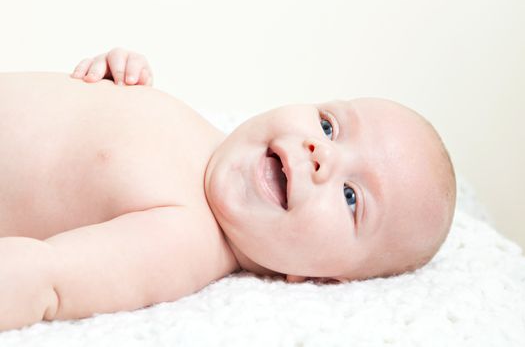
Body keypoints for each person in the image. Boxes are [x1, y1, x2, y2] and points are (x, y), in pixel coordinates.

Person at [0, 48, 456, 331]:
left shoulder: (183, 241)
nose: (322, 153)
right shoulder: (203, 133)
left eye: (351, 197)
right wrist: (112, 74)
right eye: (329, 125)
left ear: (320, 277)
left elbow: (48, 278)